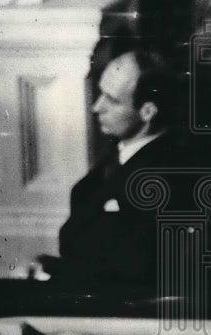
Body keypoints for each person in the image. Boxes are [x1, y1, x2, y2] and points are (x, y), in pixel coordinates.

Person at [41, 49, 183, 288]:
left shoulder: (167, 175)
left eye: (112, 100)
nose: (96, 107)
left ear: (148, 111)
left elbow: (136, 270)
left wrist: (53, 268)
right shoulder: (118, 157)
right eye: (100, 94)